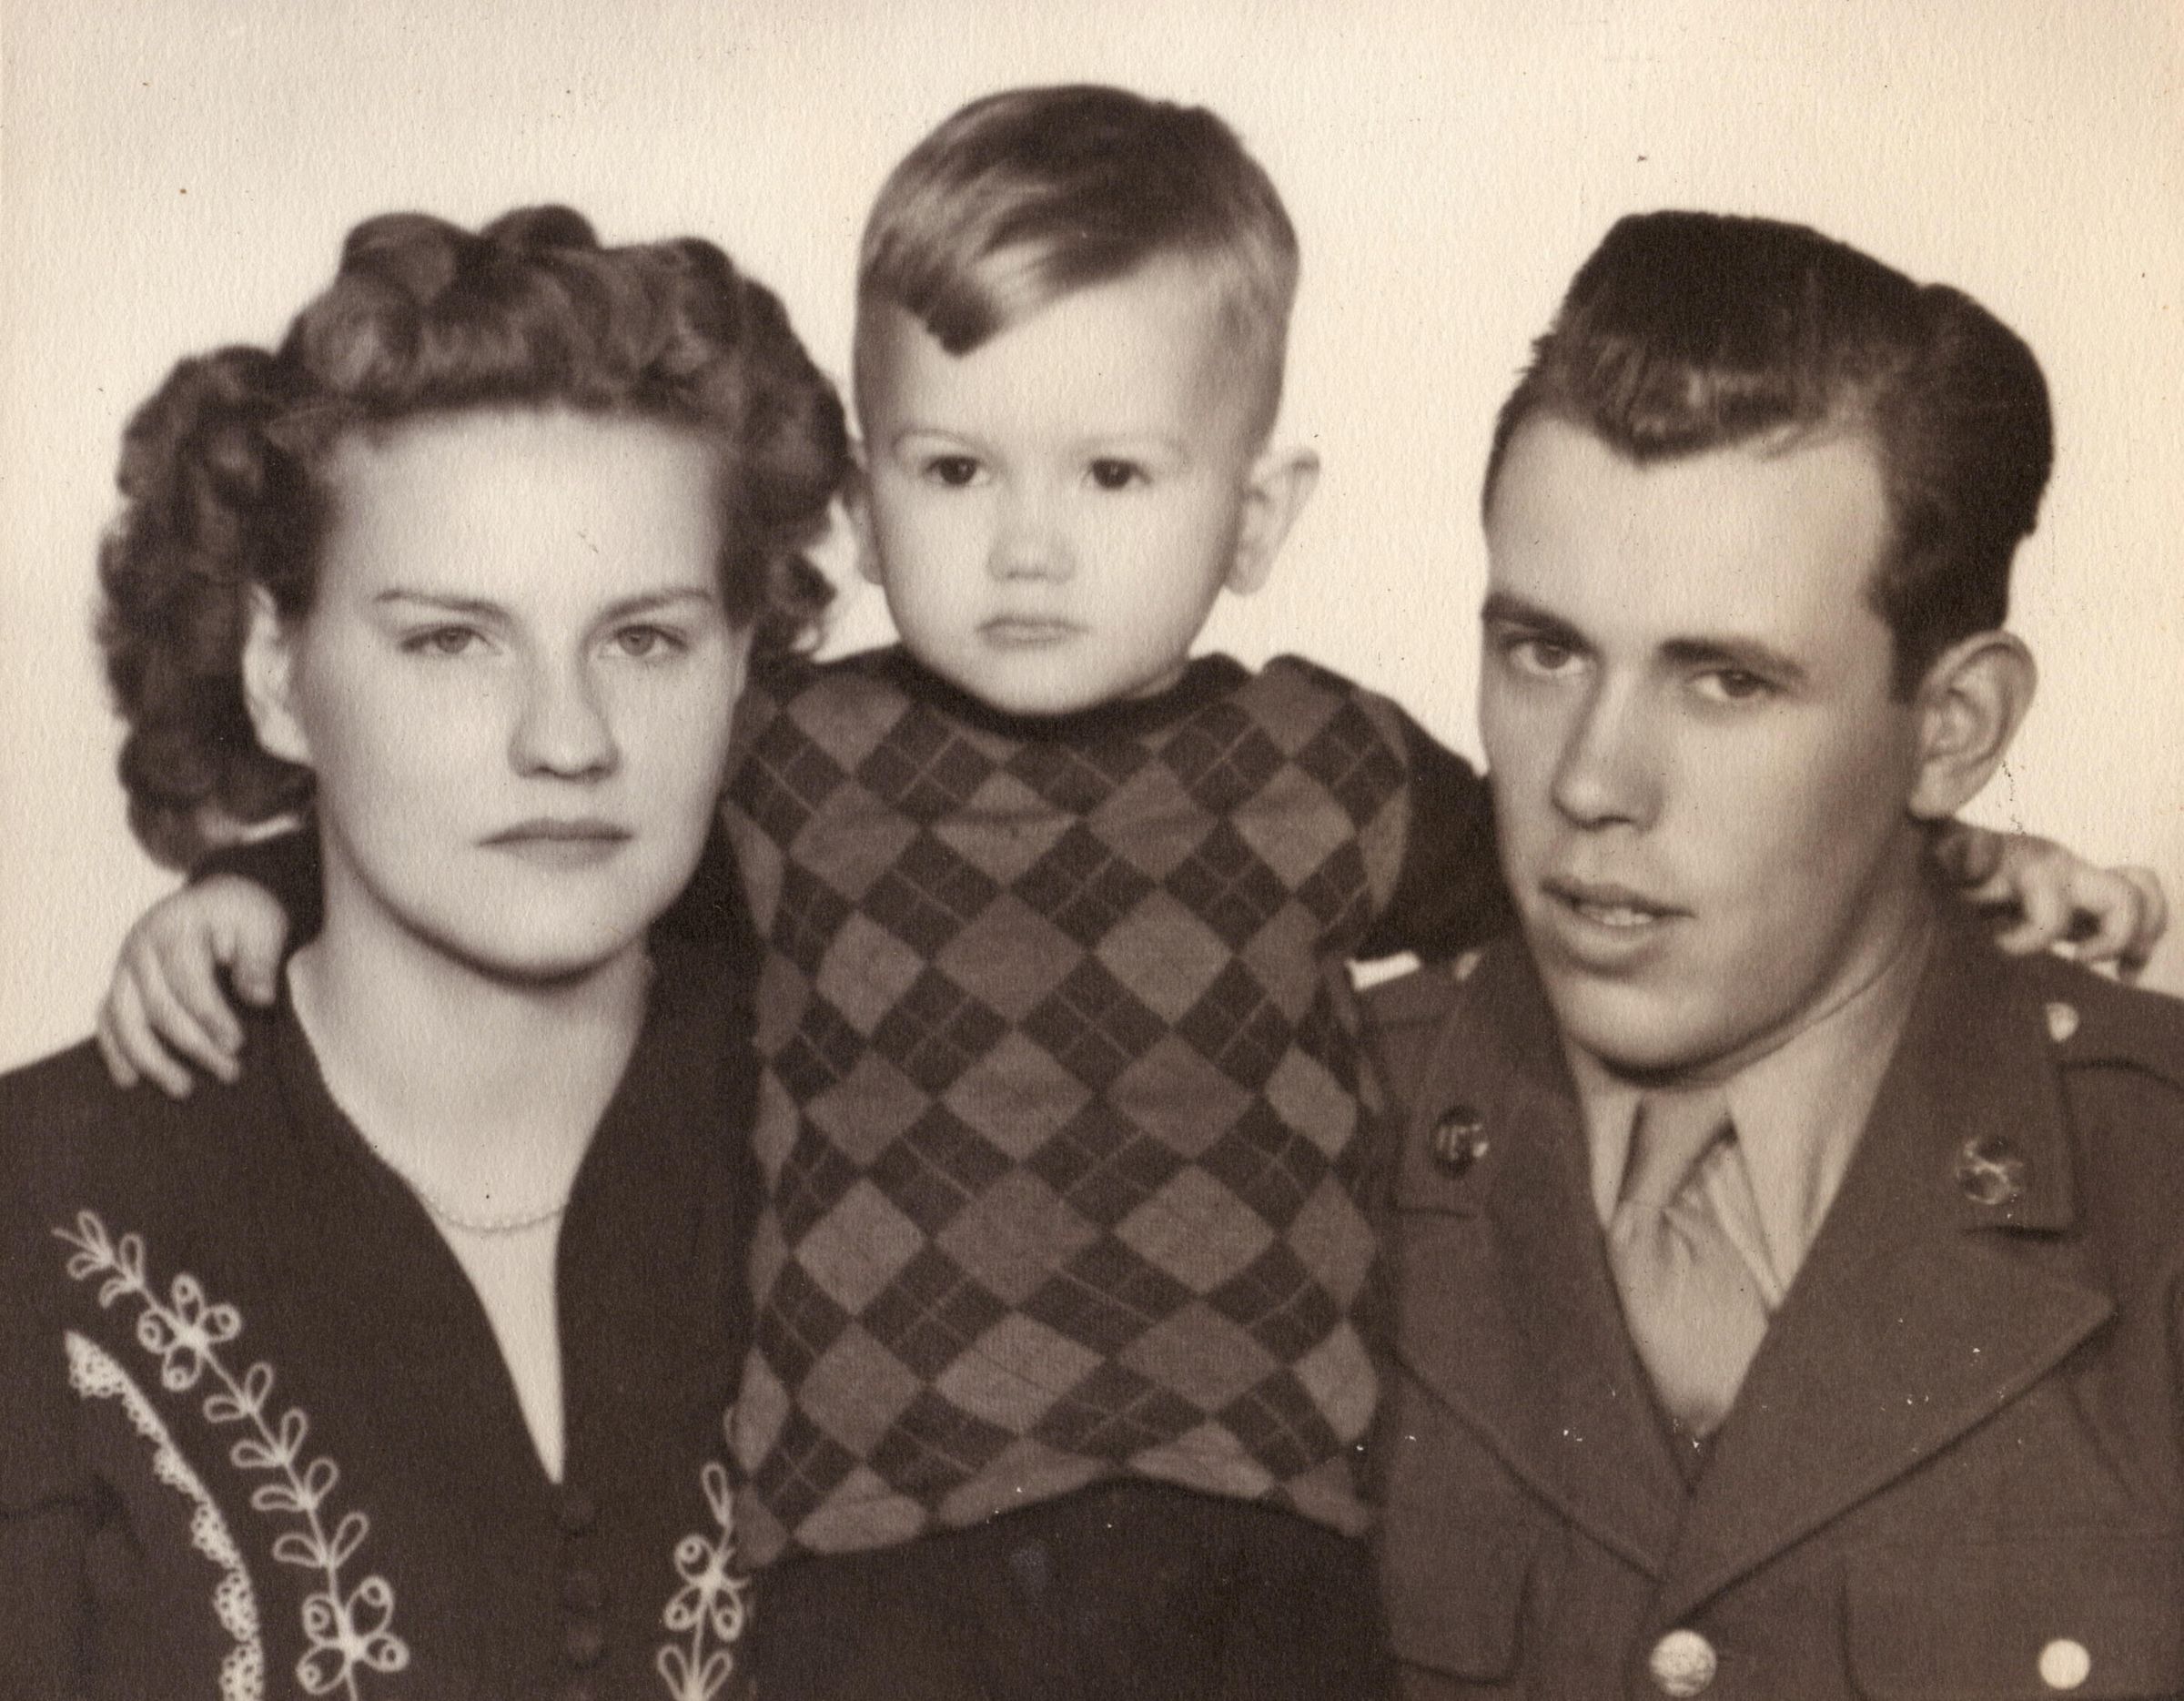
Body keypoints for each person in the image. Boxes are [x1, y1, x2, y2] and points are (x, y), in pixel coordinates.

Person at [92, 93, 2169, 1701]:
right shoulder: (802, 769)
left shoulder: (1327, 771)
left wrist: (1963, 858)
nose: (1025, 553)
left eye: (1110, 478)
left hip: (1240, 1554)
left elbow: (1599, 868)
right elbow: (556, 838)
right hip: (876, 1555)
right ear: (870, 495)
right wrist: (264, 886)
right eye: (955, 473)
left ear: (1253, 519)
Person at [0, 206, 847, 1698]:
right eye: (453, 640)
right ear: (277, 674)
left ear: (739, 662)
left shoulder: (889, 1121)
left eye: (644, 639)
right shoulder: (35, 1193)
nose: (567, 740)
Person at [1370, 209, 2184, 1697]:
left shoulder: (2160, 1181)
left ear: (1954, 732)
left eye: (1727, 682)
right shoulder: (1290, 1127)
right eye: (1544, 651)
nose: (1591, 781)